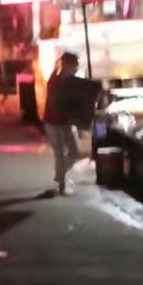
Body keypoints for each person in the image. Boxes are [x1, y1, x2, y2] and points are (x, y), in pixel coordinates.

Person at [43, 51, 94, 196]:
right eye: (75, 65)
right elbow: (55, 105)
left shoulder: (70, 82)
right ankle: (61, 185)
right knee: (60, 153)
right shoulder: (56, 82)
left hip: (64, 123)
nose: (76, 68)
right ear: (67, 65)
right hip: (53, 123)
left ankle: (60, 175)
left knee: (74, 152)